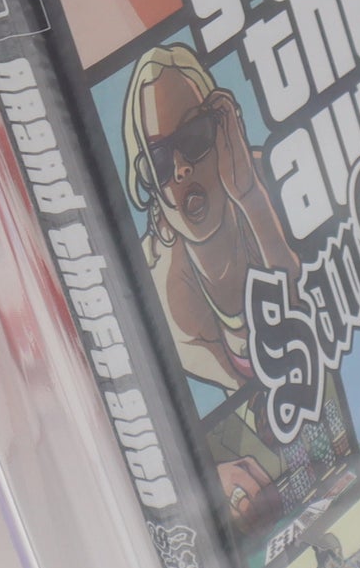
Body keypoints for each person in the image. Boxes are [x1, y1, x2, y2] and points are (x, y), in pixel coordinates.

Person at [121, 43, 299, 392]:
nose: (181, 169)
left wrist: (249, 194)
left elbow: (304, 309)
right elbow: (266, 397)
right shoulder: (165, 293)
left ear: (222, 130)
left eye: (194, 136)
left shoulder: (277, 175)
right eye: (159, 161)